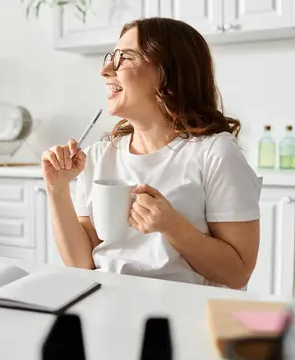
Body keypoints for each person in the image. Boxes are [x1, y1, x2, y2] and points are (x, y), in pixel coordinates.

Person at [41, 17, 261, 289]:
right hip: (106, 301)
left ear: (168, 76)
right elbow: (81, 264)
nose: (106, 70)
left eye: (125, 58)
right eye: (112, 57)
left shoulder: (215, 153)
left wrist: (172, 226)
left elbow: (237, 274)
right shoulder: (98, 156)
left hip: (180, 312)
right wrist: (57, 189)